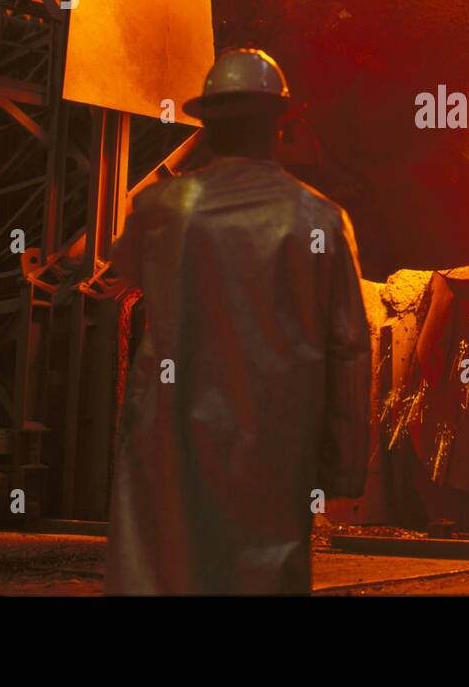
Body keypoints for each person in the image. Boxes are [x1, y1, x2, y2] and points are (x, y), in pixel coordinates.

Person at [105, 48, 371, 594]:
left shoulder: (160, 207)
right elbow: (348, 348)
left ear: (207, 127)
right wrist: (343, 473)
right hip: (272, 440)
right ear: (281, 126)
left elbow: (120, 273)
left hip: (168, 434)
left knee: (162, 570)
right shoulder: (320, 218)